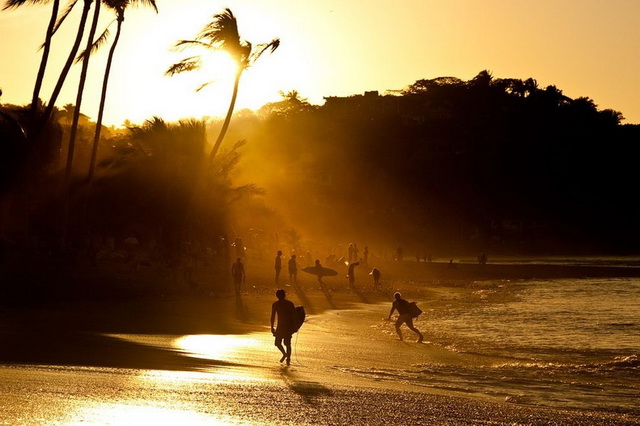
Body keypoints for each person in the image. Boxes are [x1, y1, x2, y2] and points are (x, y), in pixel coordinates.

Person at [270, 289, 296, 365]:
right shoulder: (290, 304)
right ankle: (287, 357)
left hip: (281, 326)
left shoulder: (276, 304)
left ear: (277, 296)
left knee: (278, 343)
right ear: (284, 295)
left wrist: (272, 327)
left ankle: (286, 356)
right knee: (287, 344)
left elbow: (272, 317)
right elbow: (295, 316)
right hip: (288, 326)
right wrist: (295, 327)